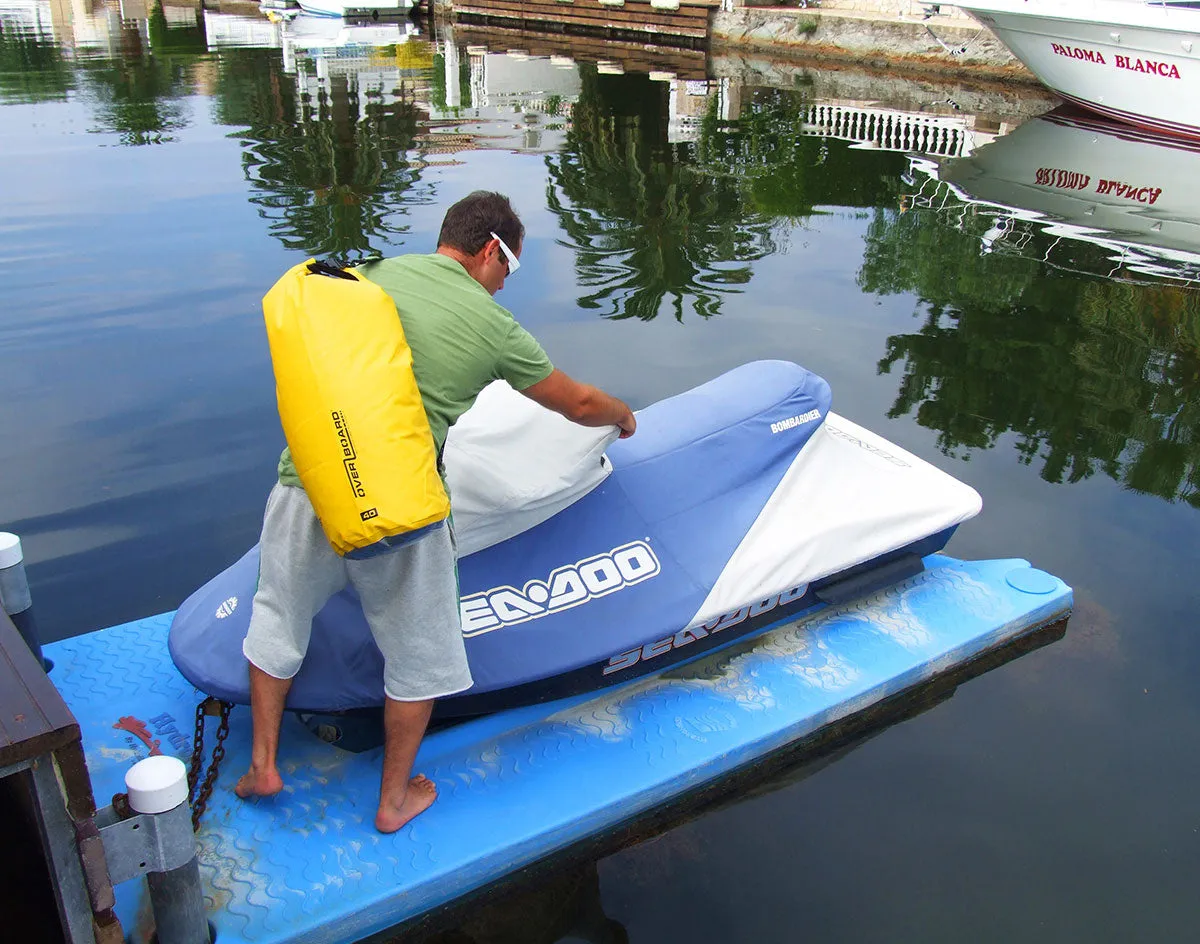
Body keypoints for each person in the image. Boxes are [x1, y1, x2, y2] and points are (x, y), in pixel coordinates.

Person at [234, 191, 636, 833]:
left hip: (305, 477)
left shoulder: (371, 278)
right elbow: (580, 404)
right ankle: (394, 801)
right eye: (510, 268)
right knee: (419, 655)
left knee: (277, 613)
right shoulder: (491, 323)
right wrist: (625, 415)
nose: (505, 284)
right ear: (487, 252)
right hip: (398, 502)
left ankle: (262, 766)